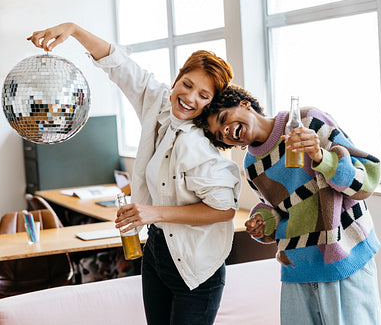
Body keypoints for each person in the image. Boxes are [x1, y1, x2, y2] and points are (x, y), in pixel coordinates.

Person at [28, 23, 241, 325]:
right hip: (157, 251)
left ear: (211, 105)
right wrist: (74, 30)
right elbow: (119, 65)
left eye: (204, 95)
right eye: (188, 84)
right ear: (177, 78)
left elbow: (224, 210)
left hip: (196, 268)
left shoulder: (199, 148)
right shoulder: (159, 103)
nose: (190, 97)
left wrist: (153, 212)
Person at [195, 85, 381, 325]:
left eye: (224, 119)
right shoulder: (252, 167)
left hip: (345, 260)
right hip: (298, 269)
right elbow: (283, 211)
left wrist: (320, 156)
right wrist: (264, 222)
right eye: (220, 134)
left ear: (243, 103)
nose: (227, 130)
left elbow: (365, 180)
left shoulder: (309, 121)